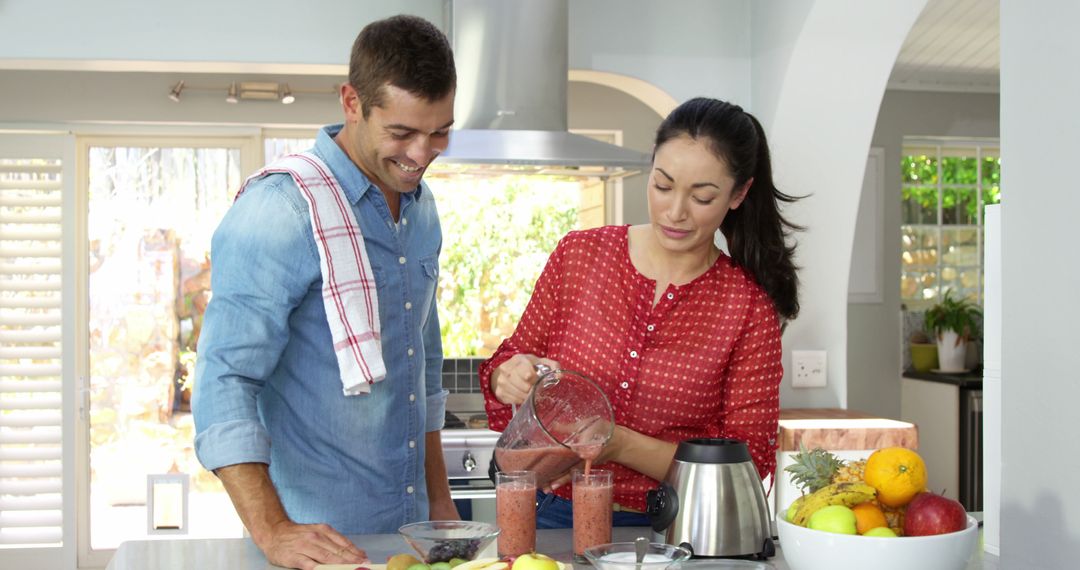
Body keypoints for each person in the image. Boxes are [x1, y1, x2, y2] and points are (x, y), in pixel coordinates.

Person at [193, 15, 458, 569]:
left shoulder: (421, 208)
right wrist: (274, 533)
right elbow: (224, 382)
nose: (422, 153)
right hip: (318, 549)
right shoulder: (279, 210)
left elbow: (422, 366)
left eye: (438, 132)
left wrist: (440, 503)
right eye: (402, 132)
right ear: (351, 102)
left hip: (410, 541)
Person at [479, 97, 801, 528]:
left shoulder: (747, 310)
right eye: (663, 185)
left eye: (702, 196)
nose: (675, 212)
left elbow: (744, 464)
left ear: (739, 194)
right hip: (550, 518)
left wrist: (618, 444)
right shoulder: (580, 255)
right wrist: (510, 377)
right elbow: (508, 363)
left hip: (672, 530)